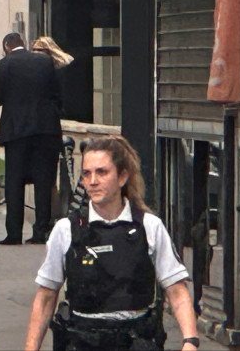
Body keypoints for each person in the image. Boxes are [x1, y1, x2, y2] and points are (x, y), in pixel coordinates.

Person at [24, 136, 199, 351]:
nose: (93, 181)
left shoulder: (149, 226)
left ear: (122, 176)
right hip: (82, 340)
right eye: (86, 174)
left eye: (102, 172)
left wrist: (190, 341)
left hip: (136, 339)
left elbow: (176, 290)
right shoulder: (66, 229)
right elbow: (46, 296)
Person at [0, 32, 63, 245]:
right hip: (45, 129)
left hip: (16, 131)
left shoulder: (2, 65)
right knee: (43, 180)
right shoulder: (45, 63)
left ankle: (14, 233)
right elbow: (56, 93)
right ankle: (40, 230)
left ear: (6, 46)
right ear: (23, 43)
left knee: (14, 181)